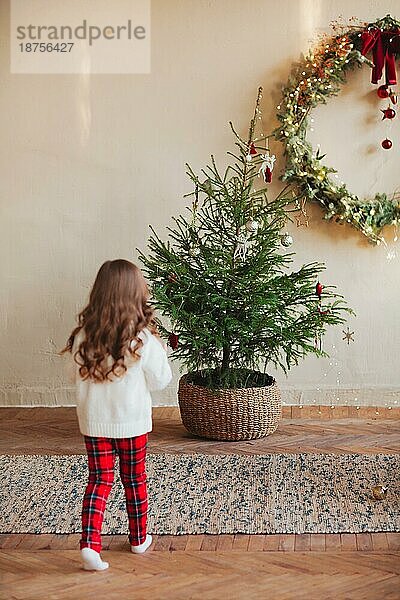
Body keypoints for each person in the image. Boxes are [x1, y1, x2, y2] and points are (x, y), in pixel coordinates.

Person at [63, 259, 172, 571]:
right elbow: (161, 380)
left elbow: (76, 376)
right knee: (134, 479)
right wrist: (160, 350)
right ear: (136, 294)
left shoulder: (83, 335)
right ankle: (139, 539)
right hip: (132, 423)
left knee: (99, 480)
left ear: (99, 293)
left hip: (94, 423)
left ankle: (90, 545)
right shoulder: (142, 339)